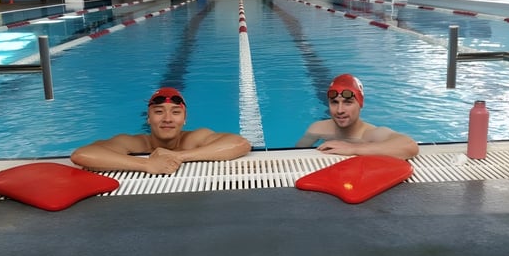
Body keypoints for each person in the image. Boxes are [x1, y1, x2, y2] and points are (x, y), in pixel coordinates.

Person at [70, 87, 251, 174]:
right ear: (148, 119)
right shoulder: (134, 142)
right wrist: (147, 165)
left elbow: (240, 144)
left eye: (175, 112)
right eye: (158, 112)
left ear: (184, 119)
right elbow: (82, 155)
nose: (167, 119)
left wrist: (179, 156)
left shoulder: (194, 138)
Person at [296, 74, 418, 160]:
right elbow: (295, 156)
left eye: (348, 102)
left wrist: (353, 148)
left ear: (360, 104)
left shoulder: (369, 134)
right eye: (334, 102)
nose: (340, 110)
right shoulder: (318, 129)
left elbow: (409, 146)